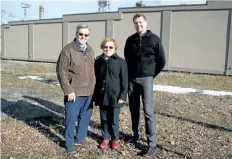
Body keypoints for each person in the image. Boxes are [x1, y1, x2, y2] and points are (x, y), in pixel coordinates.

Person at [124, 14, 166, 157]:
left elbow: (161, 61)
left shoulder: (154, 39)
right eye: (136, 23)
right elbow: (127, 58)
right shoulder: (130, 40)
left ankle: (151, 143)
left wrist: (150, 75)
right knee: (134, 109)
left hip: (146, 79)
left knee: (148, 110)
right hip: (132, 80)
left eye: (140, 22)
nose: (138, 25)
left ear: (146, 23)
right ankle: (136, 135)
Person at [56, 24, 95, 153]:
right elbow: (61, 72)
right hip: (74, 93)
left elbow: (92, 71)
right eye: (81, 34)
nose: (83, 37)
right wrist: (68, 91)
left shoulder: (90, 50)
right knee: (71, 118)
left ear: (88, 36)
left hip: (88, 92)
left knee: (84, 118)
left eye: (86, 35)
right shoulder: (67, 50)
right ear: (76, 34)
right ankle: (69, 143)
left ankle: (80, 139)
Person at [93, 38, 128, 150]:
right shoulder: (98, 61)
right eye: (105, 47)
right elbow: (96, 79)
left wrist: (122, 96)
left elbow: (125, 81)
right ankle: (105, 138)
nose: (108, 49)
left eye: (110, 47)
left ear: (115, 48)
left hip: (115, 96)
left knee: (113, 120)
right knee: (104, 119)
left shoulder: (121, 62)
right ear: (102, 47)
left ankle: (115, 139)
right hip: (102, 96)